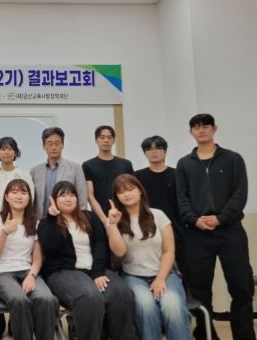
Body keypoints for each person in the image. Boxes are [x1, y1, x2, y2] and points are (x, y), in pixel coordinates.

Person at [176, 113, 255, 340]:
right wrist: (195, 220)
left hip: (230, 230)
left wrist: (221, 218)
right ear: (191, 132)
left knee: (241, 286)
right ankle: (206, 335)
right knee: (200, 289)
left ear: (214, 128)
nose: (201, 130)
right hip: (197, 233)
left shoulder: (233, 159)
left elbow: (240, 193)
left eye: (205, 126)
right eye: (196, 127)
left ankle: (244, 336)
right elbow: (182, 197)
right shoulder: (184, 163)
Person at [38, 181, 136, 340]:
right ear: (54, 199)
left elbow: (101, 244)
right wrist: (52, 218)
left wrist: (97, 273)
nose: (68, 199)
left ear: (77, 198)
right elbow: (50, 248)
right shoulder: (46, 222)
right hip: (63, 272)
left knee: (122, 294)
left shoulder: (89, 217)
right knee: (89, 297)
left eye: (72, 195)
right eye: (62, 195)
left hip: (95, 269)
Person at [107, 174, 190, 340]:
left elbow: (169, 251)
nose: (127, 194)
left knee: (172, 305)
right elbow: (120, 252)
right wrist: (113, 225)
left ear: (140, 191)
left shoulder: (158, 215)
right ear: (117, 197)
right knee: (146, 307)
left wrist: (160, 278)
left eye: (130, 189)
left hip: (165, 273)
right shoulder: (115, 220)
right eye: (121, 192)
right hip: (134, 276)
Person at [0, 179, 58, 340]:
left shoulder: (35, 223)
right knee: (19, 300)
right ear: (6, 197)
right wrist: (4, 232)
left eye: (23, 192)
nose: (19, 196)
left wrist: (32, 276)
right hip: (2, 273)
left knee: (46, 299)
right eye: (14, 192)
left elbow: (37, 258)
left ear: (29, 198)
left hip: (27, 271)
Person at [135, 135, 185, 279]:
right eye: (149, 149)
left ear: (165, 151)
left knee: (184, 270)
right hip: (148, 229)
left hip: (177, 228)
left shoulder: (177, 174)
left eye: (158, 148)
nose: (154, 152)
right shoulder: (138, 176)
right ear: (145, 153)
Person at [30, 127, 88, 219]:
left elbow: (82, 198)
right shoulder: (35, 171)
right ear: (44, 146)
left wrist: (80, 220)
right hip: (41, 220)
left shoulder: (75, 168)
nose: (53, 147)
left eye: (57, 143)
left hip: (67, 220)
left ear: (63, 145)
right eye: (49, 144)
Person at [82, 125, 134, 224]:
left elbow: (131, 190)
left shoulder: (125, 164)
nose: (106, 140)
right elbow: (90, 195)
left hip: (124, 216)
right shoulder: (88, 165)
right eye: (102, 137)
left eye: (109, 137)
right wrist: (104, 220)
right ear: (96, 140)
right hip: (99, 217)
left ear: (113, 140)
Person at [0, 136, 34, 225]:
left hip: (20, 223)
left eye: (10, 149)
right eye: (3, 149)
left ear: (15, 152)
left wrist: (19, 221)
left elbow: (30, 200)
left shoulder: (25, 176)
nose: (7, 152)